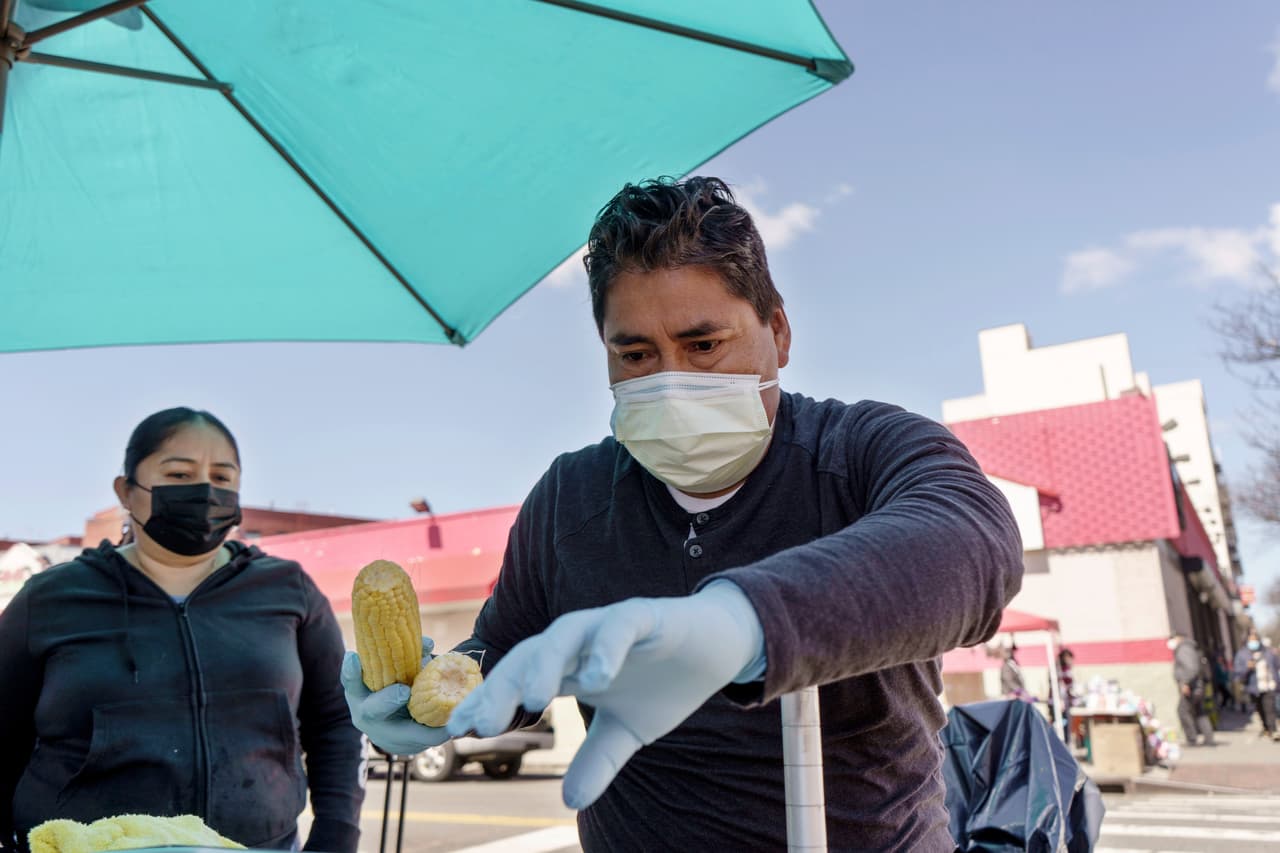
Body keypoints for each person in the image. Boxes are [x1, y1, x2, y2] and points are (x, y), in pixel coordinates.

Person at [343, 176, 1024, 851]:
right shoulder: (569, 499)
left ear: (778, 332)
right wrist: (432, 699)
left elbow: (975, 544)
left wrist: (740, 620)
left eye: (704, 345)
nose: (670, 380)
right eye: (635, 354)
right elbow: (509, 657)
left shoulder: (863, 451)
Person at [0, 408, 363, 852]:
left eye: (223, 477)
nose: (205, 490)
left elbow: (335, 722)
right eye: (179, 472)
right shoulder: (50, 598)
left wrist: (336, 835)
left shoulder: (289, 590)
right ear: (127, 491)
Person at [1170, 631, 1215, 747]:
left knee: (1182, 711)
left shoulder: (1184, 649)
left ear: (1178, 638)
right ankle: (1208, 738)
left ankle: (1192, 739)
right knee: (1200, 711)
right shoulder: (1189, 648)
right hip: (1197, 686)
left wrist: (1185, 683)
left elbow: (1191, 668)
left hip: (1192, 687)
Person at [1233, 629, 1280, 741]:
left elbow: (1276, 666)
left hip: (1269, 685)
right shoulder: (1242, 654)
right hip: (1253, 687)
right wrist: (1247, 668)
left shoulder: (1267, 652)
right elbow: (1238, 672)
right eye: (1251, 639)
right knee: (1260, 708)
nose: (1253, 642)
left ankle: (1273, 730)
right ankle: (1266, 727)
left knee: (1270, 708)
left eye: (1255, 639)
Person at [1057, 647, 1077, 744]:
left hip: (1066, 700)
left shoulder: (1067, 669)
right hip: (1062, 702)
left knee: (1067, 725)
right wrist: (1061, 700)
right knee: (1063, 725)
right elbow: (1061, 686)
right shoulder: (1061, 670)